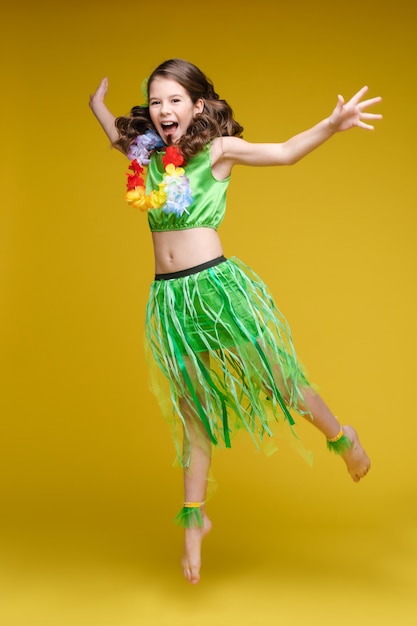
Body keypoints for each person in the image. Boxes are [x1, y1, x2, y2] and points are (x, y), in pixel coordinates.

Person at [89, 58, 382, 585]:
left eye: (175, 100)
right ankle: (194, 517)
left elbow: (285, 152)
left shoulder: (217, 153)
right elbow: (116, 132)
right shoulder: (147, 156)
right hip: (171, 303)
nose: (163, 110)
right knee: (190, 413)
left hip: (218, 292)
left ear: (197, 106)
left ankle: (342, 437)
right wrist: (97, 105)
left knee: (281, 380)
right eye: (156, 101)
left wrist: (331, 125)